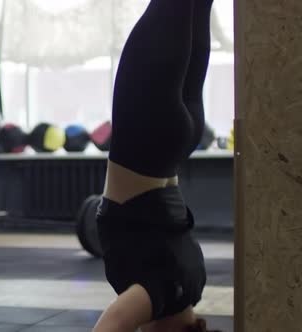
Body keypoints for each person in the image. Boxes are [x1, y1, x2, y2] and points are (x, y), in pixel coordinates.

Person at [93, 0, 220, 331]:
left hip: (180, 142)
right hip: (148, 138)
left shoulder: (194, 282)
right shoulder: (159, 295)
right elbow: (112, 324)